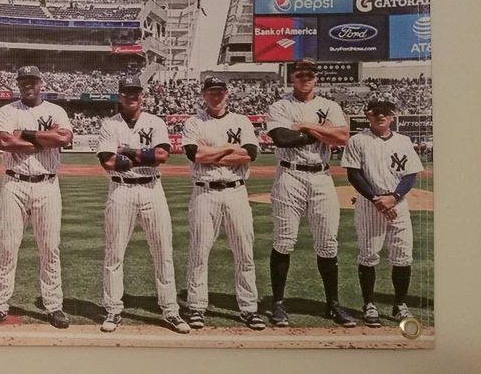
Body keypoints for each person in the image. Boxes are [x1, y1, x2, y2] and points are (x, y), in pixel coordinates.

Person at [94, 76, 189, 334]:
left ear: (142, 95)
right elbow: (108, 161)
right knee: (114, 253)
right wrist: (142, 156)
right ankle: (113, 309)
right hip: (121, 190)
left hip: (151, 189)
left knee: (163, 252)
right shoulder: (109, 125)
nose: (131, 96)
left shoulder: (155, 122)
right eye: (126, 92)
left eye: (135, 92)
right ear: (120, 96)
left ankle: (170, 309)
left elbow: (162, 156)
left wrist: (127, 151)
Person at [265, 59, 355, 327]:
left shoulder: (330, 105)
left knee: (328, 242)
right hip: (289, 174)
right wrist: (321, 131)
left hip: (321, 175)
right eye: (301, 74)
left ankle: (333, 304)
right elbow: (282, 139)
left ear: (316, 78)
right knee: (284, 240)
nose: (306, 78)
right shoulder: (280, 106)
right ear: (293, 77)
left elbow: (342, 138)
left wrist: (303, 127)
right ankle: (278, 304)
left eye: (311, 74)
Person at [0, 66, 74, 329]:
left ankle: (54, 306)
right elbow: (4, 142)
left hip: (47, 184)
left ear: (41, 83)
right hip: (15, 183)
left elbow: (64, 138)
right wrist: (46, 140)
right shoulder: (8, 111)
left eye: (32, 81)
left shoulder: (56, 111)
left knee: (50, 248)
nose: (28, 85)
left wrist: (24, 134)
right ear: (18, 84)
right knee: (8, 247)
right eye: (23, 81)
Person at [181, 77, 264, 330]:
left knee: (244, 252)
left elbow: (249, 154)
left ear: (227, 93)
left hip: (236, 192)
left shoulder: (241, 121)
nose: (215, 96)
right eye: (211, 92)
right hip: (205, 193)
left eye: (219, 92)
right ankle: (196, 307)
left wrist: (214, 153)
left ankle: (249, 308)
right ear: (204, 95)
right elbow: (195, 155)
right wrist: (230, 149)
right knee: (199, 251)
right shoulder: (194, 122)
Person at [342, 100, 424, 327]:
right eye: (376, 112)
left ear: (393, 116)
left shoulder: (404, 141)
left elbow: (410, 175)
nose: (381, 116)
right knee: (368, 255)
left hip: (397, 203)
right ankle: (369, 304)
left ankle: (400, 305)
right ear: (368, 115)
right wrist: (376, 199)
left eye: (386, 113)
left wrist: (393, 198)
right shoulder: (358, 140)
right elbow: (354, 174)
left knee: (403, 255)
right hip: (370, 203)